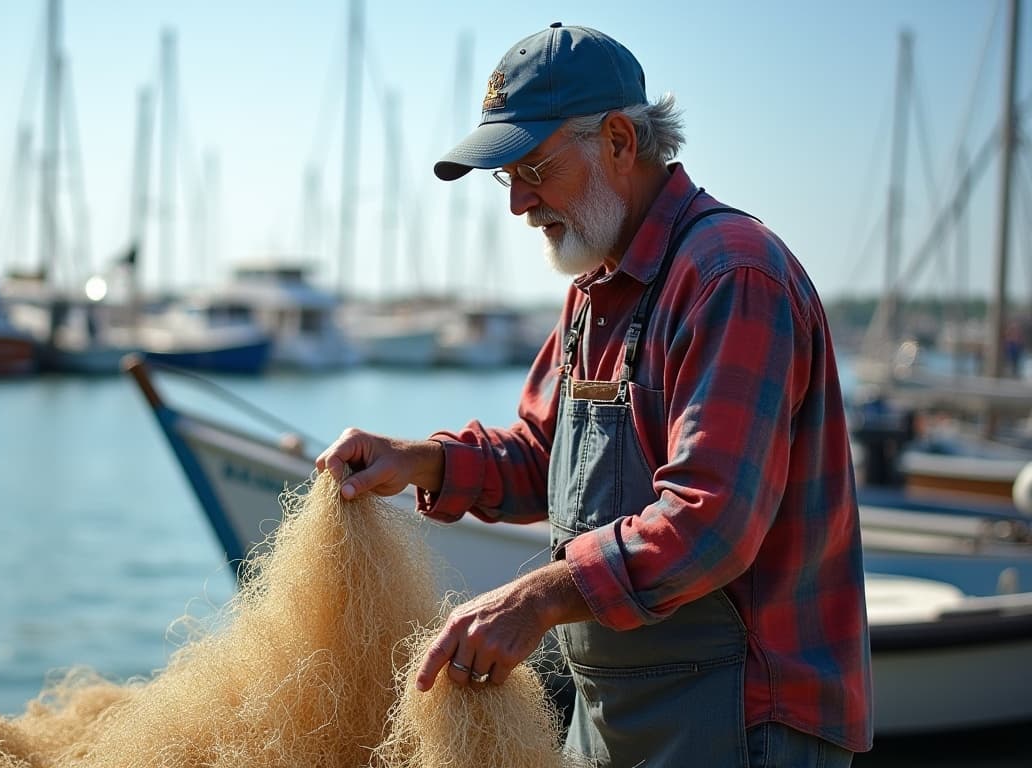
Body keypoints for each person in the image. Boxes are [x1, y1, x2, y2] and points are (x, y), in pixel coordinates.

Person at [316, 22, 872, 768]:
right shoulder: (595, 285)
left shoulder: (732, 276)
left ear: (618, 140)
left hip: (742, 721)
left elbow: (712, 523)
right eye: (506, 176)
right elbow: (546, 456)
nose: (518, 203)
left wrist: (539, 597)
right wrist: (420, 460)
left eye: (533, 167)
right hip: (615, 718)